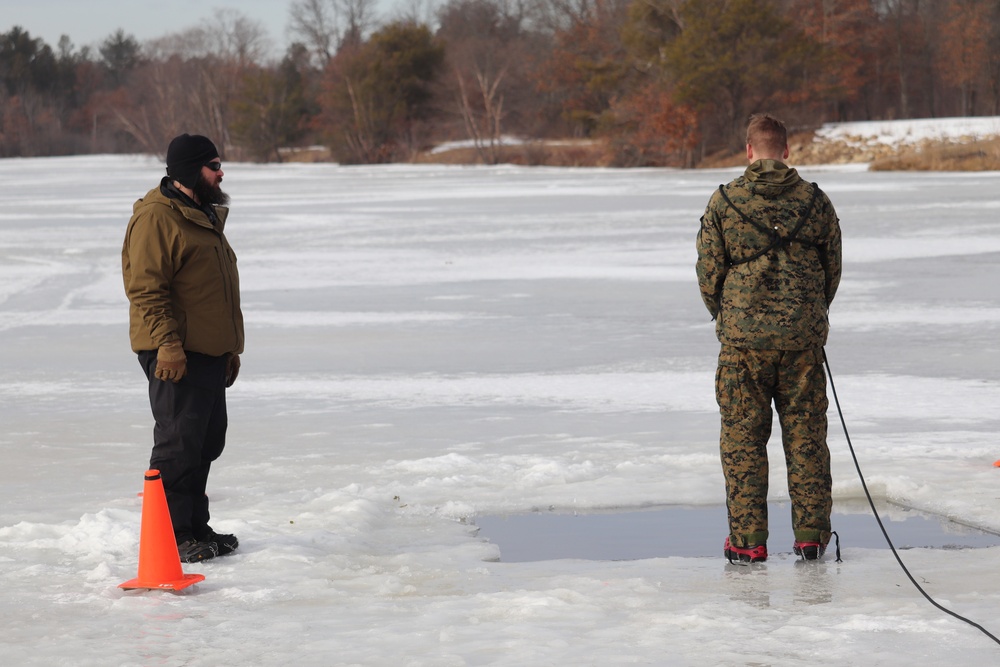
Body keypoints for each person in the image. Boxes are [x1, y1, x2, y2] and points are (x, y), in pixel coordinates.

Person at [695, 113, 842, 563]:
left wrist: (729, 315)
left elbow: (708, 274)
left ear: (748, 150)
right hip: (802, 344)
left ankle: (747, 542)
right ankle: (812, 538)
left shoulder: (724, 201)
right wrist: (808, 315)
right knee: (807, 438)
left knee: (742, 441)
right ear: (786, 150)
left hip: (743, 346)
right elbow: (831, 269)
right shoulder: (816, 202)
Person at [122, 134, 244, 563]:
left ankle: (194, 527)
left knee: (206, 441)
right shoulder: (158, 218)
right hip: (175, 351)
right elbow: (146, 289)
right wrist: (168, 345)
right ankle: (171, 536)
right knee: (178, 443)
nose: (221, 172)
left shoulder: (201, 214)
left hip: (206, 351)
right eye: (214, 165)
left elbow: (214, 292)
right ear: (193, 171)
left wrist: (229, 348)